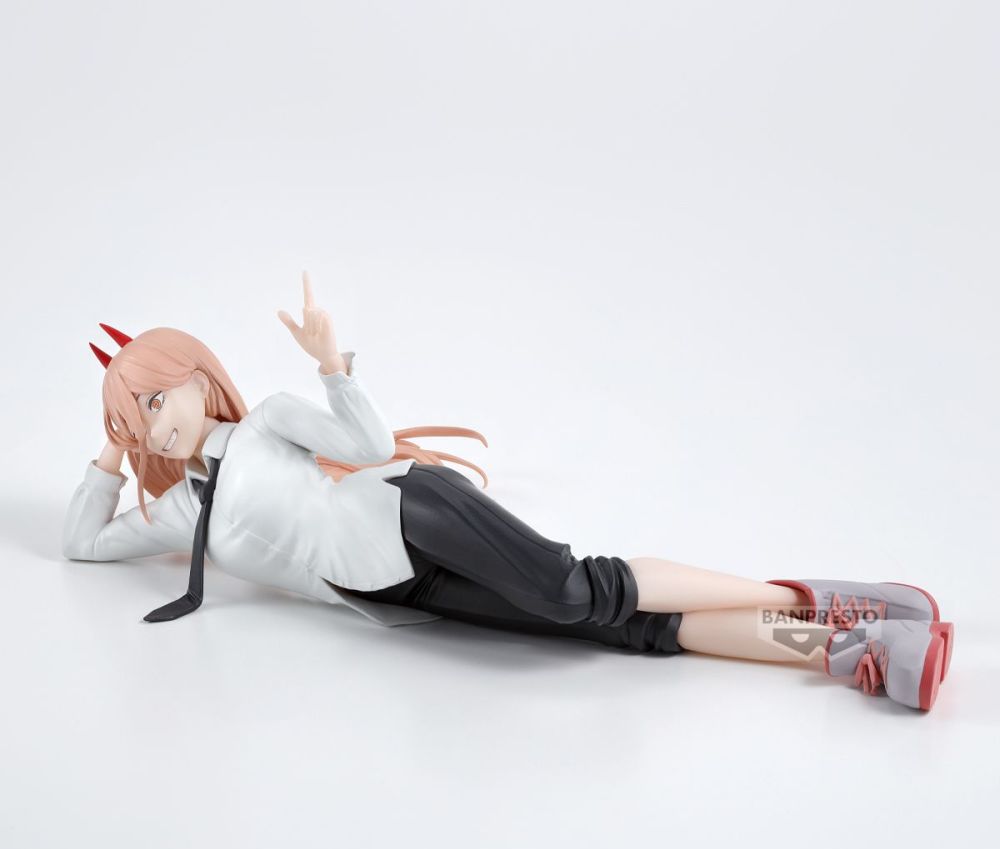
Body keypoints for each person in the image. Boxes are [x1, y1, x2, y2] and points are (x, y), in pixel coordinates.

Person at [63, 273, 954, 711]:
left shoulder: (265, 425)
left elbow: (366, 447)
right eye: (137, 420)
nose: (153, 425)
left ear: (195, 378)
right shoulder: (182, 512)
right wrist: (112, 447)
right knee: (619, 630)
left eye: (154, 400)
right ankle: (845, 652)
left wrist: (333, 365)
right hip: (400, 595)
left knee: (577, 589)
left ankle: (816, 600)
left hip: (410, 515)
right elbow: (83, 543)